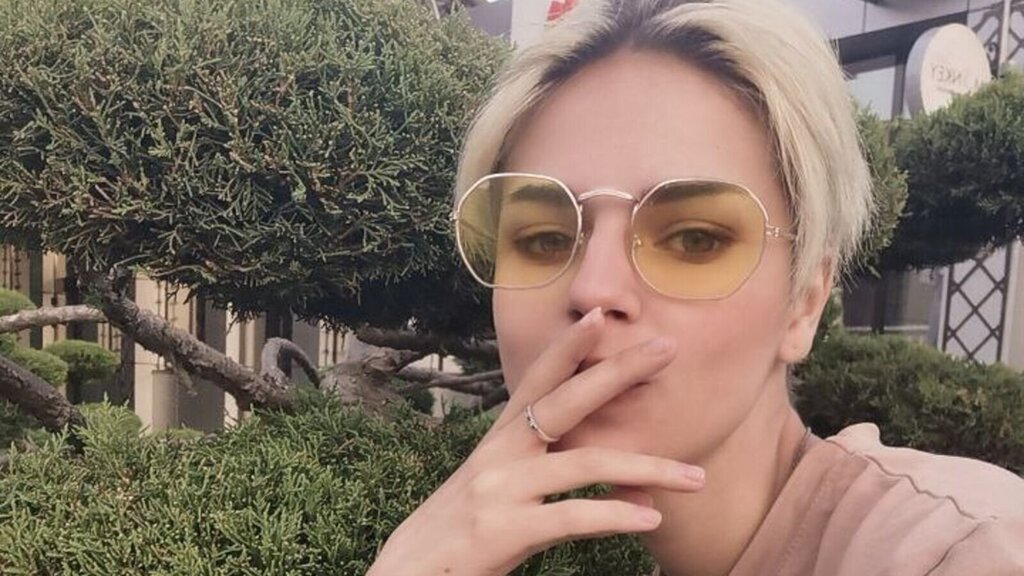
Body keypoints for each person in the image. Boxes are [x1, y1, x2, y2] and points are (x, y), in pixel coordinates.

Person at [368, 1, 1024, 574]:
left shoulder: (959, 551)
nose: (594, 289)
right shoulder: (500, 548)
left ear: (805, 300)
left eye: (692, 239)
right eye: (543, 239)